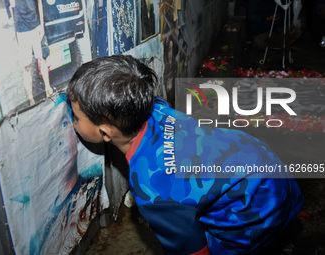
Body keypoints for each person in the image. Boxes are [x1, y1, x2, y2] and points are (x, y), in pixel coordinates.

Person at [67, 55, 304, 254]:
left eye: (76, 118)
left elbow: (193, 251)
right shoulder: (156, 108)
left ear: (106, 132)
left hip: (260, 208)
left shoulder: (154, 189)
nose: (73, 122)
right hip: (269, 165)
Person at [11, 0, 53, 105]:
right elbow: (11, 5)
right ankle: (31, 99)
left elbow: (39, 3)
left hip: (35, 26)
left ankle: (48, 88)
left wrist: (42, 27)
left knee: (42, 58)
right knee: (26, 66)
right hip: (21, 29)